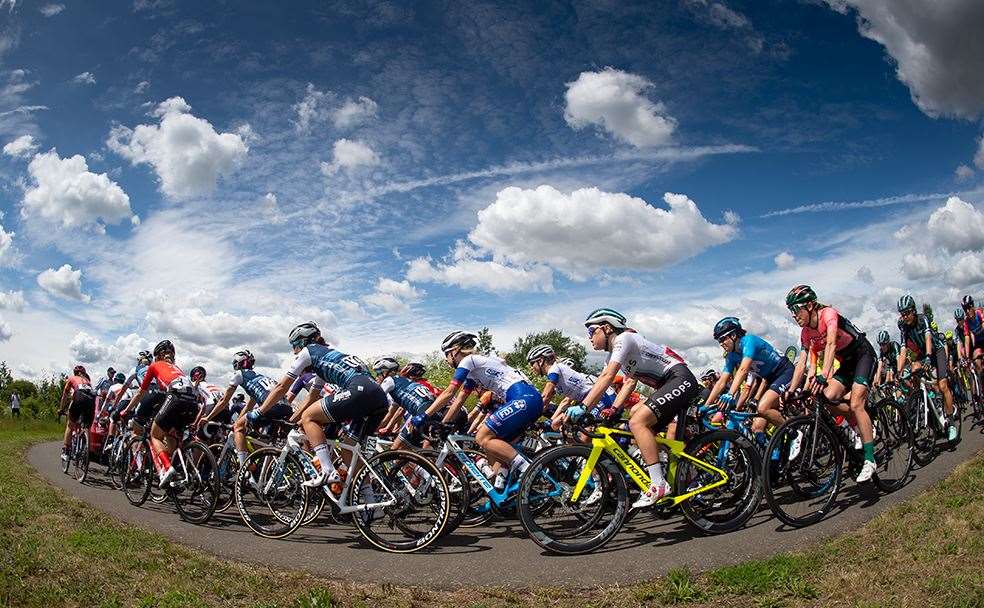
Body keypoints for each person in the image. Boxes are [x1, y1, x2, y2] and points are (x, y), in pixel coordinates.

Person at [577, 308, 701, 508]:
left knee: (637, 421)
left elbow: (608, 377)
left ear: (607, 328)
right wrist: (614, 409)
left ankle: (658, 484)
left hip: (680, 379)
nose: (589, 338)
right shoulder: (613, 356)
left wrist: (583, 407)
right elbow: (627, 383)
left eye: (592, 332)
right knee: (636, 420)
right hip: (668, 385)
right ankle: (688, 473)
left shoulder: (624, 339)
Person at [256, 322, 388, 489]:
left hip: (359, 390)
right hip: (378, 397)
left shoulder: (308, 351)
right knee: (349, 449)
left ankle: (327, 470)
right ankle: (370, 501)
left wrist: (260, 412)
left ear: (302, 342)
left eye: (294, 346)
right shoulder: (325, 360)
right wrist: (293, 420)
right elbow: (312, 397)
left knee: (309, 417)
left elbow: (282, 387)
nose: (293, 351)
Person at [412, 331, 544, 493]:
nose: (446, 360)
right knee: (493, 451)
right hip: (527, 399)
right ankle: (501, 496)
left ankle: (529, 469)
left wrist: (425, 415)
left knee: (482, 436)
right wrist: (444, 424)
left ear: (455, 351)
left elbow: (450, 392)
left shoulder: (469, 360)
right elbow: (460, 399)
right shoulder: (474, 371)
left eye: (446, 355)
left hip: (524, 397)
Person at [786, 285, 879, 482]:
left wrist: (824, 375)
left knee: (856, 403)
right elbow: (802, 362)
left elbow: (831, 344)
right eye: (791, 311)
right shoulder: (805, 333)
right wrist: (792, 390)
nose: (794, 315)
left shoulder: (828, 314)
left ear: (810, 305)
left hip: (863, 355)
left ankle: (870, 459)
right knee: (826, 397)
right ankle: (856, 425)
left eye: (796, 309)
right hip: (846, 362)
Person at [703, 317, 794, 451]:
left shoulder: (749, 341)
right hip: (769, 379)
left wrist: (730, 394)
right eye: (718, 341)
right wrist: (705, 406)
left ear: (733, 335)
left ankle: (794, 433)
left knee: (762, 408)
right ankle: (774, 454)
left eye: (723, 339)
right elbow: (721, 381)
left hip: (784, 372)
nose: (721, 343)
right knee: (757, 427)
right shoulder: (731, 356)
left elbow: (743, 370)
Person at [123, 340, 200, 488]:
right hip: (193, 403)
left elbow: (141, 392)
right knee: (171, 436)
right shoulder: (177, 369)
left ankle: (167, 468)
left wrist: (126, 410)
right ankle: (177, 474)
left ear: (157, 356)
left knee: (155, 435)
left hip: (176, 398)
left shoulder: (154, 365)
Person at [196, 350, 293, 465]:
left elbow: (223, 401)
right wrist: (238, 421)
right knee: (258, 437)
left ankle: (244, 467)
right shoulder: (259, 378)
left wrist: (208, 418)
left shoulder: (239, 375)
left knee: (239, 428)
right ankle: (262, 466)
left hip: (271, 407)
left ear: (237, 364)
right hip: (286, 407)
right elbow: (249, 405)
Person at [898, 295, 957, 441]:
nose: (905, 316)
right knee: (913, 371)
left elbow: (928, 338)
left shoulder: (922, 318)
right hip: (922, 353)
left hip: (936, 351)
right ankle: (926, 399)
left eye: (907, 313)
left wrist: (929, 357)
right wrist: (898, 372)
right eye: (902, 314)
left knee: (943, 386)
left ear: (913, 311)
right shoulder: (904, 327)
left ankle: (951, 424)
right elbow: (903, 350)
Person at [524, 344, 619, 430]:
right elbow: (556, 403)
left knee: (585, 434)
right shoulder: (557, 378)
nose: (532, 368)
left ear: (540, 361)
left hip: (600, 398)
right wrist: (551, 421)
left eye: (532, 363)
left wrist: (526, 419)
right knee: (560, 426)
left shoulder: (555, 368)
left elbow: (545, 397)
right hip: (588, 400)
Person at [58, 365, 95, 463]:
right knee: (87, 427)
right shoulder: (88, 382)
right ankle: (87, 452)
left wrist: (61, 409)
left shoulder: (72, 378)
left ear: (75, 373)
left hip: (79, 397)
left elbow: (65, 396)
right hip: (91, 400)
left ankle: (65, 451)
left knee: (70, 425)